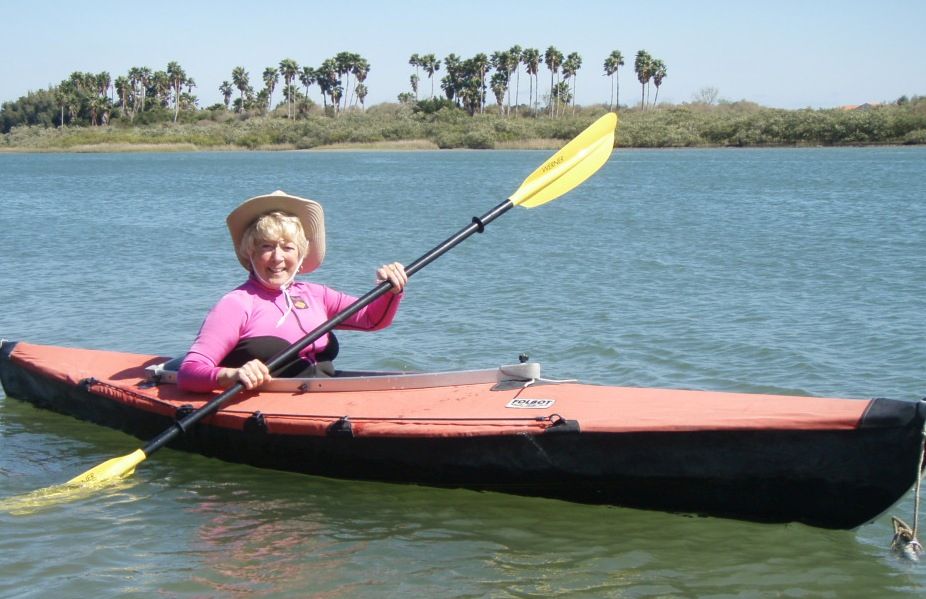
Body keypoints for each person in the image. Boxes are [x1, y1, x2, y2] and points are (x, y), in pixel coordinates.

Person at [178, 190, 407, 392]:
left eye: (288, 247)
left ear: (300, 255)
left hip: (323, 401)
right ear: (251, 253)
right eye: (266, 246)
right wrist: (231, 375)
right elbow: (189, 372)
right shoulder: (236, 304)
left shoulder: (318, 295)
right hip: (267, 411)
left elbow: (371, 319)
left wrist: (390, 290)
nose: (278, 257)